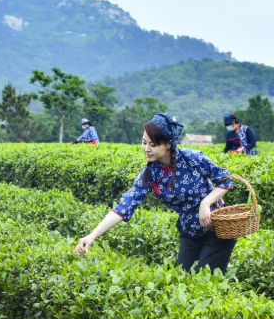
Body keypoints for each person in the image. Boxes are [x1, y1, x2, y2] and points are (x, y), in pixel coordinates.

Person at [75, 113, 237, 274]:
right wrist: (92, 235)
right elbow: (124, 207)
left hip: (218, 229)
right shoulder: (149, 173)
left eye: (152, 145)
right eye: (144, 143)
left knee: (204, 278)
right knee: (181, 277)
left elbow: (226, 180)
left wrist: (206, 202)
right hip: (189, 231)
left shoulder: (192, 158)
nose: (147, 149)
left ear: (168, 144)